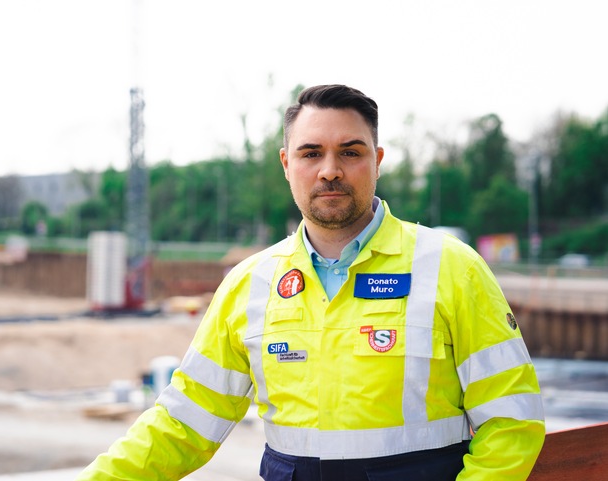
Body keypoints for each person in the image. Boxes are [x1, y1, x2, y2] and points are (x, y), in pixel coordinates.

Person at [76, 84, 545, 481]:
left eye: (350, 152)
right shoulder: (249, 285)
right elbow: (183, 422)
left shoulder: (451, 269)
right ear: (286, 163)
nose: (329, 170)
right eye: (311, 153)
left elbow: (512, 422)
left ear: (377, 160)